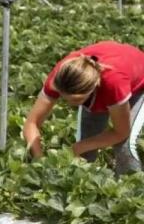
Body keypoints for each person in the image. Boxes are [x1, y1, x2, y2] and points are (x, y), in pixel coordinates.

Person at [22, 40, 144, 174]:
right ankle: (88, 184)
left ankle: (131, 188)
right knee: (86, 147)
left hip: (139, 80)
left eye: (76, 100)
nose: (70, 104)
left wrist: (78, 147)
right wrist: (40, 161)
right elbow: (32, 123)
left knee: (124, 146)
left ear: (93, 88)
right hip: (112, 69)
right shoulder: (63, 75)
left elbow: (121, 132)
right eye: (64, 97)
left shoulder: (113, 84)